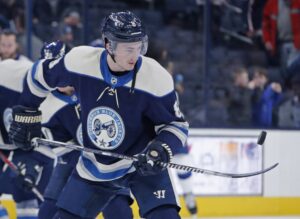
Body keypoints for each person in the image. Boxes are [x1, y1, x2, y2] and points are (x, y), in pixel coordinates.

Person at [9, 11, 188, 219]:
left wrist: (160, 150)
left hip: (143, 163)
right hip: (95, 165)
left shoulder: (156, 78)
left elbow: (176, 126)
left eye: (139, 47)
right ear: (108, 44)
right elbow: (40, 75)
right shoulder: (80, 61)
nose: (135, 55)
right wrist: (27, 112)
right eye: (128, 48)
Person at [38, 87, 134, 219]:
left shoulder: (96, 86)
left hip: (110, 162)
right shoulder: (48, 106)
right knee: (49, 209)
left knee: (117, 208)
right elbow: (65, 150)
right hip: (71, 164)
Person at [0, 58, 56, 219]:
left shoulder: (54, 101)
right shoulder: (6, 73)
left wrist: (32, 167)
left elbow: (49, 141)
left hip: (29, 145)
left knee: (25, 190)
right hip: (6, 137)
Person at [262, 0, 300, 68]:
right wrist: (267, 40)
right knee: (285, 70)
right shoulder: (272, 3)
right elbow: (266, 25)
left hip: (297, 44)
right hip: (280, 44)